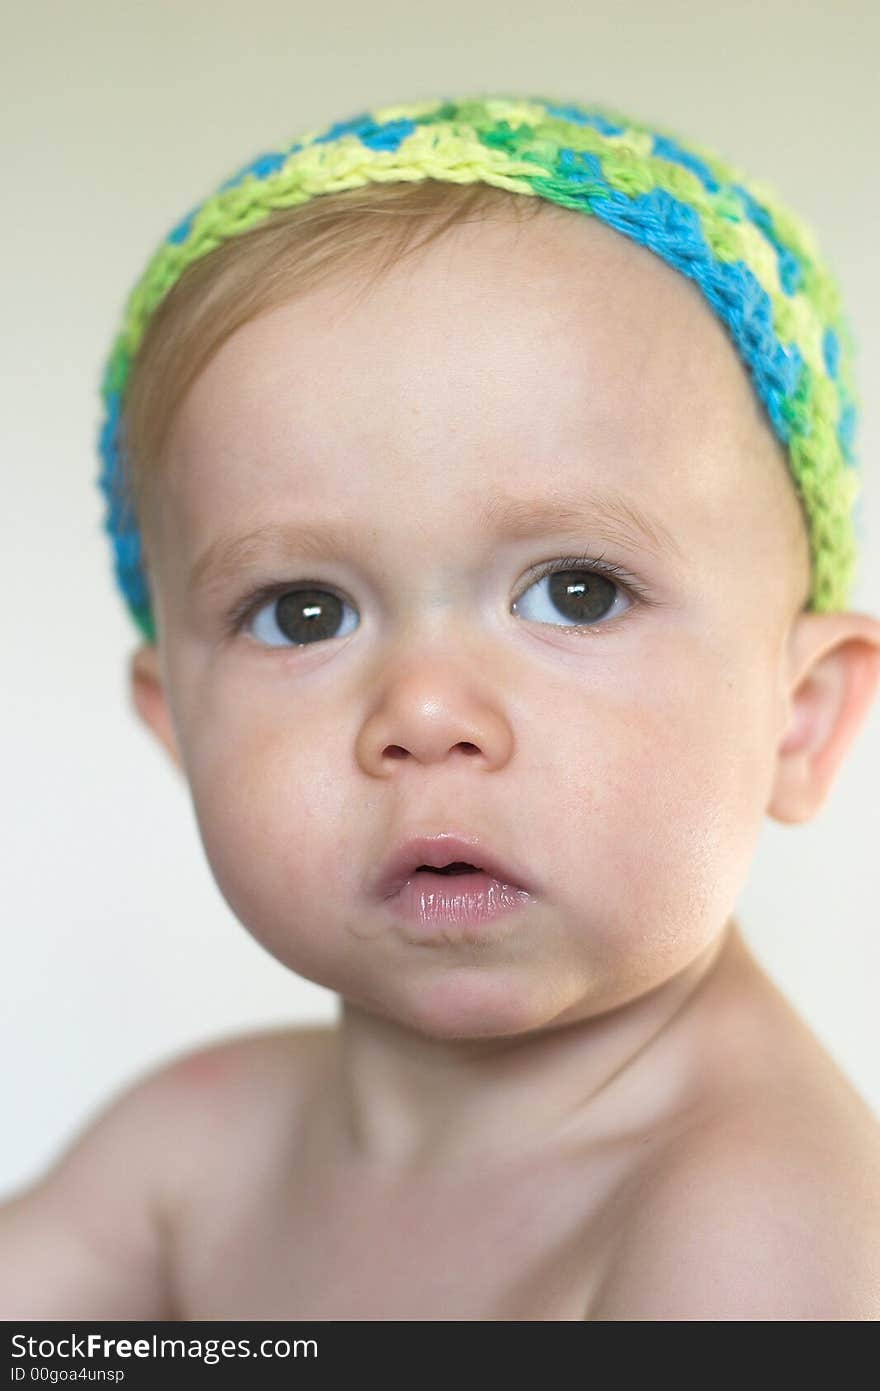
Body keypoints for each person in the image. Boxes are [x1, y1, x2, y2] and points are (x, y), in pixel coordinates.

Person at [3, 93, 880, 1321]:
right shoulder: (188, 1150)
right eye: (303, 611)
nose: (422, 711)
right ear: (180, 728)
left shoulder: (764, 1230)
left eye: (575, 591)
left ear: (797, 715)